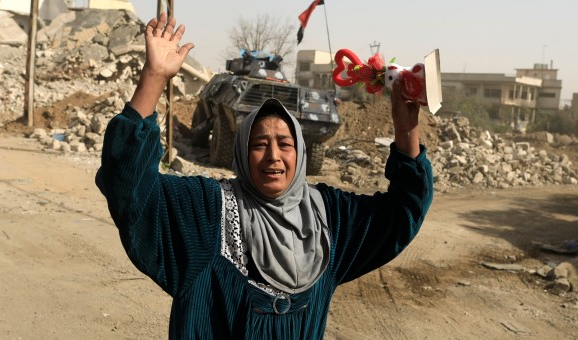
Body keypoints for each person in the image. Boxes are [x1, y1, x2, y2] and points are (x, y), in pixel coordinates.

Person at [96, 13, 433, 339]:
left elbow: (402, 212)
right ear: (242, 154)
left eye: (285, 144)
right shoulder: (205, 213)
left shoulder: (330, 220)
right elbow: (129, 185)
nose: (274, 156)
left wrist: (406, 129)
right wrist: (153, 78)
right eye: (259, 144)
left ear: (299, 153)